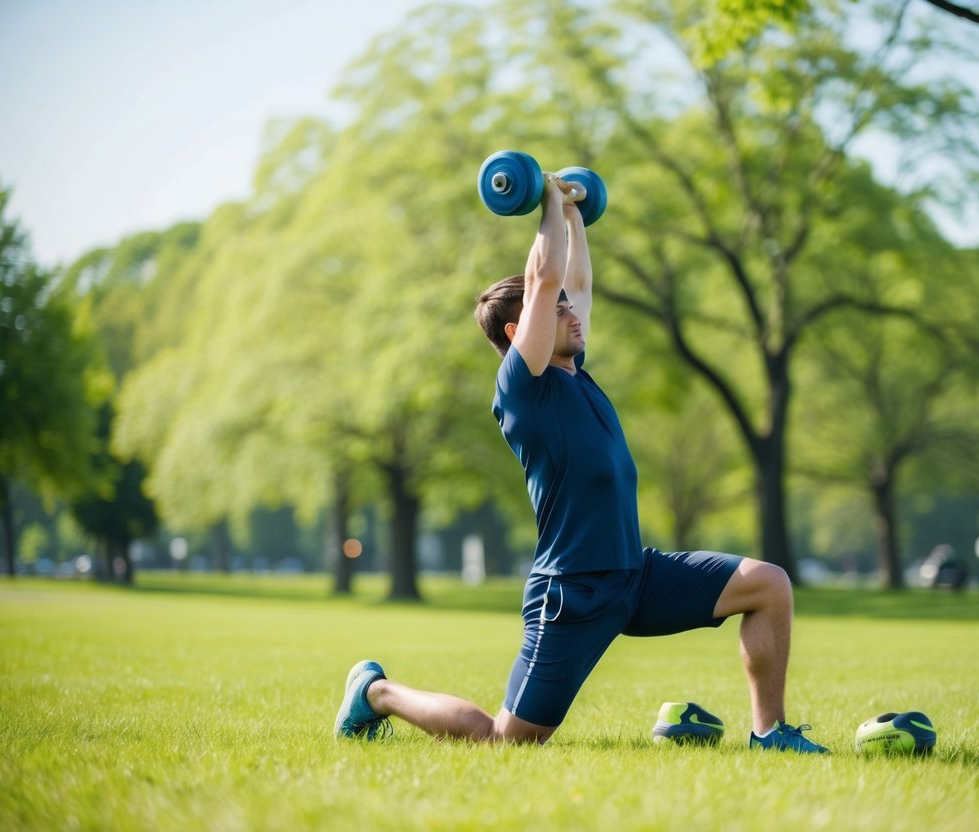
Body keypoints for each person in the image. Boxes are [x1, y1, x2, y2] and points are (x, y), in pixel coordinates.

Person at [334, 172, 827, 754]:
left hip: (633, 576)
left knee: (768, 585)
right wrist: (545, 200)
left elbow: (575, 279)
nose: (570, 310)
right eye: (556, 308)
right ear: (521, 333)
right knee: (506, 739)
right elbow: (545, 278)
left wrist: (571, 211)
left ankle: (769, 734)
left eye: (569, 307)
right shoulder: (524, 387)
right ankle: (376, 694)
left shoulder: (576, 370)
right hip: (573, 591)